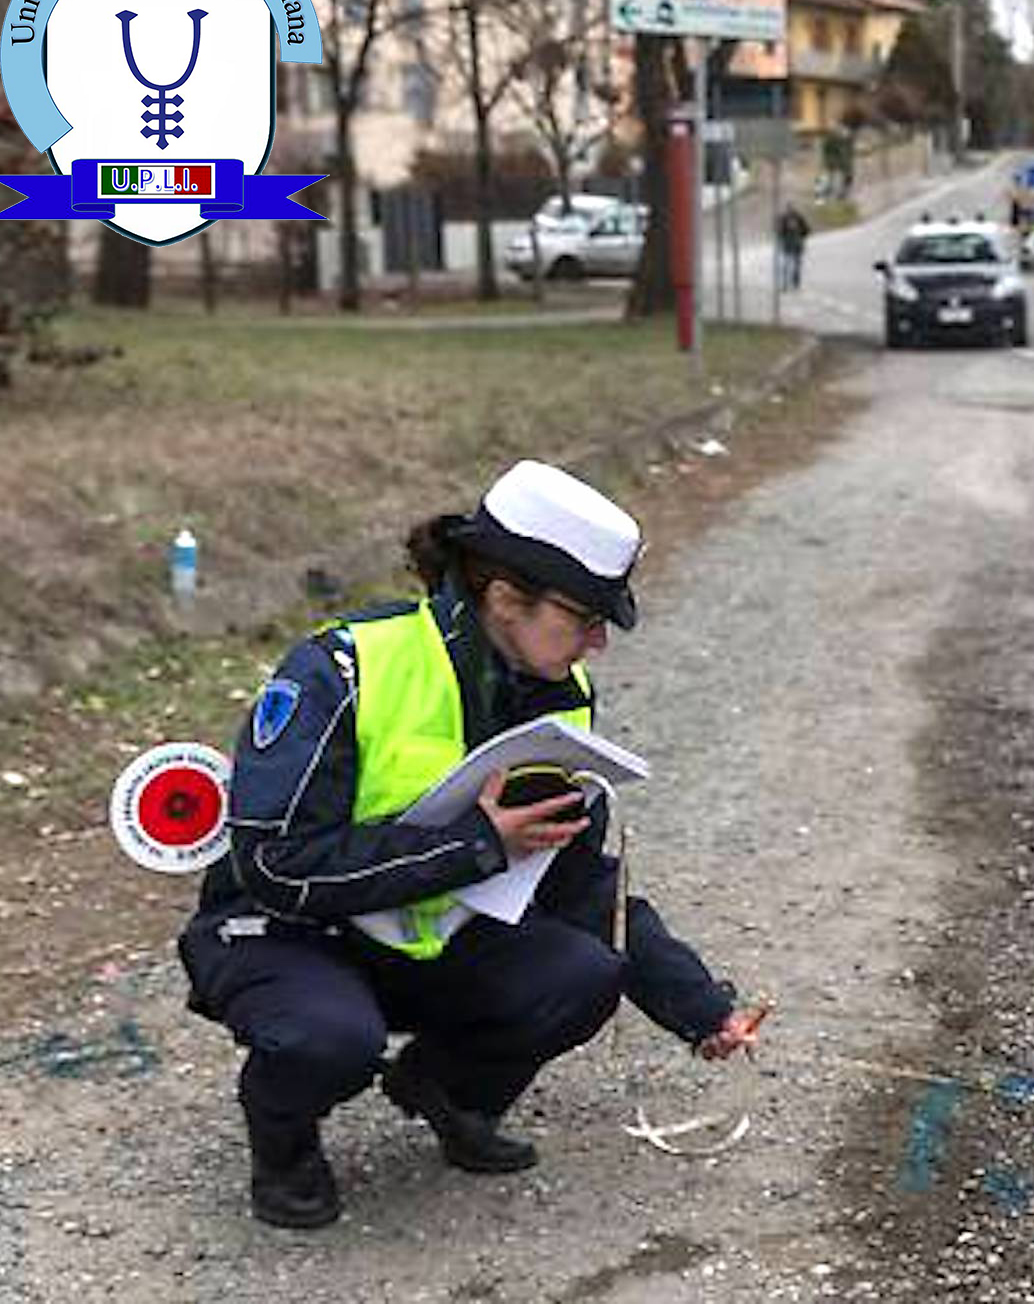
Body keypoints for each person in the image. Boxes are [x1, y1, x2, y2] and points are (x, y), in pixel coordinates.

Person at [177, 460, 763, 1230]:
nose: (596, 645)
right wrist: (472, 845)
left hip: (421, 941)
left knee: (585, 972)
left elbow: (582, 886)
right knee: (329, 1038)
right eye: (584, 618)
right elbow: (275, 864)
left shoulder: (560, 695)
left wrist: (699, 1008)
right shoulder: (345, 667)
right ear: (503, 596)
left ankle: (447, 1089)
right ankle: (283, 1144)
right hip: (288, 936)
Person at [775, 203, 811, 290]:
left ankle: (786, 284)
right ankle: (794, 284)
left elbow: (779, 232)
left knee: (787, 265)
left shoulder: (784, 218)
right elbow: (807, 230)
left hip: (789, 245)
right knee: (795, 265)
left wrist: (781, 238)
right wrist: (802, 237)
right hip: (796, 244)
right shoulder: (798, 217)